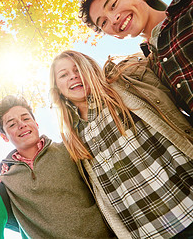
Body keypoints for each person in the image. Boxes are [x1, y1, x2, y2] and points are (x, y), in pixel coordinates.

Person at [49, 50, 193, 238]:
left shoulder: (119, 90)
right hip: (149, 230)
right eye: (64, 75)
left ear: (90, 70)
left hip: (186, 200)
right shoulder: (74, 137)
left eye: (78, 69)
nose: (74, 77)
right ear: (57, 88)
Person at [0, 95, 117, 238]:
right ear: (4, 136)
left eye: (26, 118)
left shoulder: (68, 149)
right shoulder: (6, 180)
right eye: (12, 124)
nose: (22, 124)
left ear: (36, 123)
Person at [79, 0, 193, 122]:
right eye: (104, 22)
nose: (113, 19)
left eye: (113, 4)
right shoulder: (149, 67)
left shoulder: (188, 6)